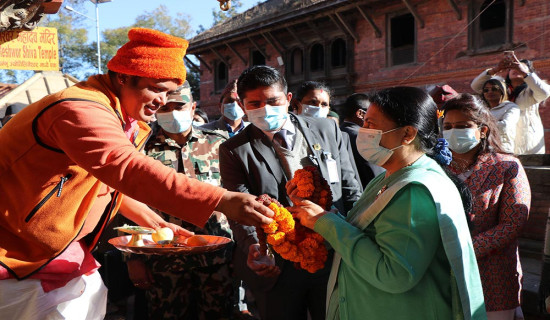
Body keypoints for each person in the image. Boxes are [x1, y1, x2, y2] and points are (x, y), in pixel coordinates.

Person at [0, 28, 273, 320]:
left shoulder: (128, 120)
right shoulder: (79, 108)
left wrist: (153, 222)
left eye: (169, 92)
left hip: (55, 251)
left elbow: (106, 185)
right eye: (156, 88)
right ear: (123, 77)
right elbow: (126, 168)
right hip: (15, 252)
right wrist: (222, 199)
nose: (160, 101)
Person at [288, 86, 486, 320]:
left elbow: (395, 274)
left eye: (371, 125)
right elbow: (361, 231)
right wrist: (319, 215)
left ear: (407, 134)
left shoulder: (415, 190)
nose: (363, 132)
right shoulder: (389, 176)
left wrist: (327, 223)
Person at [219, 65, 362, 320]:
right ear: (242, 105)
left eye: (272, 101)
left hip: (334, 253)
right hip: (279, 263)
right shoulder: (234, 150)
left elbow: (351, 189)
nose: (265, 109)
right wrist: (256, 247)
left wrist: (357, 243)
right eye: (255, 103)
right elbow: (241, 210)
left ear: (287, 99)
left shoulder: (327, 130)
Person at [126, 84, 235, 319]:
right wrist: (133, 258)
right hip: (164, 258)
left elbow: (235, 194)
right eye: (165, 107)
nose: (172, 113)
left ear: (193, 107)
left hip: (215, 256)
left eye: (180, 106)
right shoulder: (140, 148)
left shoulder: (220, 143)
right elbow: (128, 202)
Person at [442, 94, 530, 319]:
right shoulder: (436, 168)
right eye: (448, 126)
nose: (453, 131)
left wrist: (466, 250)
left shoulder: (506, 166)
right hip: (441, 271)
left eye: (462, 126)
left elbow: (513, 223)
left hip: (492, 275)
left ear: (482, 130)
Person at [471, 53, 550, 154]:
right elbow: (476, 86)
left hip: (527, 142)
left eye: (520, 67)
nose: (516, 69)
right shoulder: (500, 89)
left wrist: (525, 72)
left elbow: (545, 92)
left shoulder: (532, 91)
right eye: (512, 67)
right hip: (505, 142)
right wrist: (496, 69)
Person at [293, 80, 363, 190]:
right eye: (312, 103)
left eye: (324, 104)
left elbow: (348, 179)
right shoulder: (287, 135)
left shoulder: (338, 136)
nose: (318, 108)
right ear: (296, 104)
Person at [340, 93, 379, 187]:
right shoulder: (363, 136)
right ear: (360, 114)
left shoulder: (338, 134)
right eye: (373, 113)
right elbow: (377, 174)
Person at [478, 77, 520, 153]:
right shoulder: (481, 110)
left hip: (503, 149)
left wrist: (482, 127)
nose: (490, 92)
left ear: (502, 91)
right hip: (483, 150)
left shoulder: (511, 107)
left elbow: (505, 126)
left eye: (494, 89)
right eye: (486, 90)